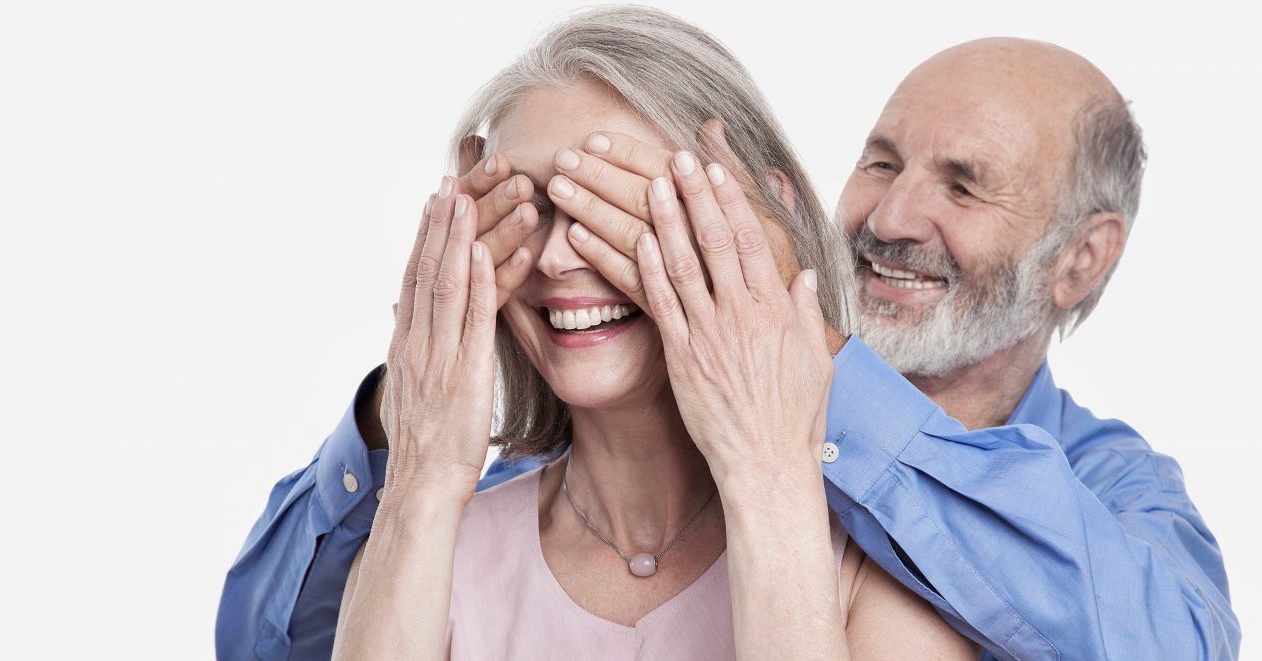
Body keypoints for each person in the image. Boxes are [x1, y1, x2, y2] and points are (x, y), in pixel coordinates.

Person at [216, 8, 1239, 661]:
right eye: (878, 163)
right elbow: (258, 641)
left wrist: (786, 360)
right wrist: (410, 445)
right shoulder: (468, 526)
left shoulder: (1084, 502)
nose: (886, 221)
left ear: (1082, 259)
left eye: (619, 207)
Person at [328, 19, 980, 653]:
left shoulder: (885, 564)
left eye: (614, 209)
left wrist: (766, 474)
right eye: (527, 208)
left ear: (761, 223)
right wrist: (424, 474)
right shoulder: (430, 547)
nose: (557, 257)